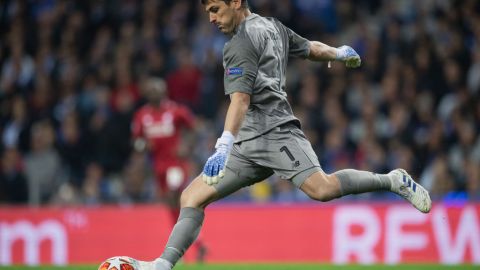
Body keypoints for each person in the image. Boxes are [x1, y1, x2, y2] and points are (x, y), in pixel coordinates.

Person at [124, 1, 431, 269]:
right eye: (208, 12)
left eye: (215, 9)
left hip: (276, 134)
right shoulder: (273, 27)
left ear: (235, 2)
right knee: (191, 196)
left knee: (322, 189)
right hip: (248, 144)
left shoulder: (238, 45)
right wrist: (338, 53)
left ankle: (393, 180)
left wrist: (222, 145)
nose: (211, 19)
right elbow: (310, 48)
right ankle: (162, 265)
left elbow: (240, 100)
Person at [132, 77, 195, 221]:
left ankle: (185, 229)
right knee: (170, 201)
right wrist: (144, 145)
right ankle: (183, 231)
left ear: (164, 91)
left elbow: (193, 128)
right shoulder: (142, 115)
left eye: (157, 89)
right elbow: (136, 141)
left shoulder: (175, 110)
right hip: (158, 166)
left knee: (174, 192)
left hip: (175, 163)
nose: (154, 93)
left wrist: (185, 145)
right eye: (151, 90)